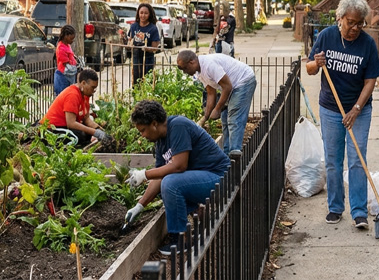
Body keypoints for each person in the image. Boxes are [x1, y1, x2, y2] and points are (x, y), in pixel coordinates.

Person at [305, 0, 379, 230]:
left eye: (360, 23)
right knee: (332, 160)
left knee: (357, 160)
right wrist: (316, 63)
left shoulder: (367, 44)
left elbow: (370, 81)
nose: (355, 28)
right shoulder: (326, 36)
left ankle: (359, 212)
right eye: (351, 22)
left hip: (359, 109)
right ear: (340, 18)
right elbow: (308, 69)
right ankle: (335, 207)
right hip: (330, 108)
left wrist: (356, 109)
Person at [123, 100, 231, 255]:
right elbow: (159, 175)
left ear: (154, 124)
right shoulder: (161, 142)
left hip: (221, 178)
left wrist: (144, 174)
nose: (142, 135)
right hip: (204, 180)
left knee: (170, 183)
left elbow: (179, 166)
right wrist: (139, 206)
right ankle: (200, 213)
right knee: (164, 184)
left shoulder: (178, 126)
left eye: (143, 130)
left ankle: (182, 240)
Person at [175, 50, 257, 156]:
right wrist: (205, 117)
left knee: (234, 118)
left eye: (185, 68)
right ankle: (228, 154)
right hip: (232, 86)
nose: (184, 72)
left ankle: (235, 153)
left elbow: (227, 86)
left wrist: (217, 109)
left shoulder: (209, 65)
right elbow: (211, 94)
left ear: (192, 62)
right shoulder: (200, 72)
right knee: (225, 119)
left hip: (243, 81)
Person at [40, 68, 108, 148]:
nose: (94, 91)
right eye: (92, 87)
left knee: (86, 134)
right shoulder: (73, 95)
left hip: (64, 128)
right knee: (77, 137)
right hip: (52, 128)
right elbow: (71, 124)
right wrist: (95, 132)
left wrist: (101, 131)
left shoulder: (85, 95)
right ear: (83, 83)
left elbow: (86, 119)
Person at [130, 3, 161, 85]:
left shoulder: (153, 28)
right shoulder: (134, 27)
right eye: (141, 13)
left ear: (149, 14)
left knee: (147, 80)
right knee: (136, 80)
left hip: (148, 58)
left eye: (146, 13)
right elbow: (130, 41)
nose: (143, 15)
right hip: (136, 58)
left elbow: (155, 48)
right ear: (138, 14)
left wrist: (146, 48)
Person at [54, 25, 78, 96]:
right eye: (71, 39)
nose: (72, 41)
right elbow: (66, 63)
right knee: (63, 95)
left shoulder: (67, 45)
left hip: (68, 74)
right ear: (65, 36)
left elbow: (71, 55)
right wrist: (73, 63)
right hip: (63, 75)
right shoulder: (61, 48)